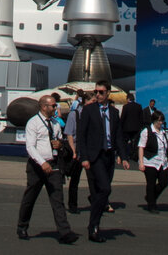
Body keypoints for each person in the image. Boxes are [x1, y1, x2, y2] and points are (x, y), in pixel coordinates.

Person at [19, 92, 80, 244]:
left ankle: (65, 232)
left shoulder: (55, 123)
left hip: (53, 164)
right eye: (53, 105)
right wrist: (42, 162)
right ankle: (22, 226)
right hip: (37, 166)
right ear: (44, 106)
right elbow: (30, 147)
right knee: (30, 197)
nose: (55, 108)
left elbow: (60, 140)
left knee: (57, 199)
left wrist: (60, 145)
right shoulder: (33, 123)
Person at [75, 86, 123, 241]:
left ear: (108, 93)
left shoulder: (114, 113)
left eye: (101, 92)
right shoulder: (89, 110)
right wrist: (84, 157)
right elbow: (82, 134)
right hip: (95, 156)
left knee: (100, 192)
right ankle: (93, 226)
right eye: (96, 92)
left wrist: (124, 156)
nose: (97, 94)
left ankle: (94, 222)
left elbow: (118, 136)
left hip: (109, 155)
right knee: (105, 188)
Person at [138, 108, 168, 211]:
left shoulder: (163, 132)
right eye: (159, 121)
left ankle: (150, 197)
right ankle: (151, 205)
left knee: (164, 182)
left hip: (163, 161)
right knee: (151, 183)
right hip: (150, 161)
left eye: (162, 121)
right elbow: (141, 147)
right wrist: (141, 162)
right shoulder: (147, 131)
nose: (161, 123)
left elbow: (166, 147)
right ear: (154, 120)